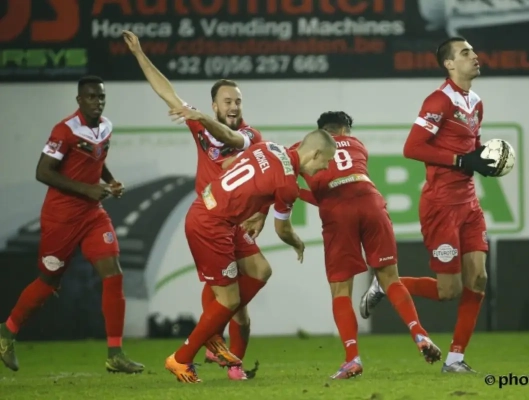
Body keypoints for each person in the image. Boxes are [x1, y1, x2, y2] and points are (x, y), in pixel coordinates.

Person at [122, 30, 268, 380]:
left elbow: (233, 141)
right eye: (227, 101)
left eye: (238, 101)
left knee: (253, 284)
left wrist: (261, 213)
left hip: (234, 222)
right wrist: (140, 54)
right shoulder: (201, 127)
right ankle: (213, 348)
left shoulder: (250, 136)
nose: (234, 107)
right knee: (232, 302)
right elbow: (166, 92)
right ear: (215, 105)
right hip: (210, 220)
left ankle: (222, 351)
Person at [163, 111, 336, 383]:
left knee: (260, 270)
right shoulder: (288, 186)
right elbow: (283, 229)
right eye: (326, 162)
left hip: (222, 217)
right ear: (315, 154)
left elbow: (229, 164)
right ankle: (181, 358)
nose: (324, 168)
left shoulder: (269, 147)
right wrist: (297, 243)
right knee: (230, 301)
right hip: (211, 224)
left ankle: (212, 331)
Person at [360, 37, 496, 373]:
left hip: (469, 204)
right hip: (441, 206)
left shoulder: (476, 102)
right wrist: (461, 160)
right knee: (449, 291)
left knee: (478, 279)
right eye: (465, 52)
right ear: (449, 64)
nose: (475, 56)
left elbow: (472, 147)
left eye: (473, 51)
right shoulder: (439, 100)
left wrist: (483, 159)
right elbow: (412, 148)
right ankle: (389, 284)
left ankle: (455, 359)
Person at [0, 76, 144, 374]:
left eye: (101, 97)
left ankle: (115, 354)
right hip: (61, 218)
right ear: (79, 100)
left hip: (92, 215)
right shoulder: (64, 130)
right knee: (48, 281)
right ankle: (6, 331)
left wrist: (109, 181)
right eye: (91, 97)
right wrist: (86, 189)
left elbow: (96, 159)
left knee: (113, 274)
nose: (97, 102)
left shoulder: (106, 127)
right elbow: (43, 172)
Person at [290, 112, 441, 379]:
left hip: (338, 211)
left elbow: (321, 189)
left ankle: (352, 359)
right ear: (344, 130)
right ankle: (420, 334)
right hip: (371, 202)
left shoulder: (303, 148)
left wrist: (297, 193)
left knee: (340, 289)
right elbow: (347, 181)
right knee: (390, 278)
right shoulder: (358, 144)